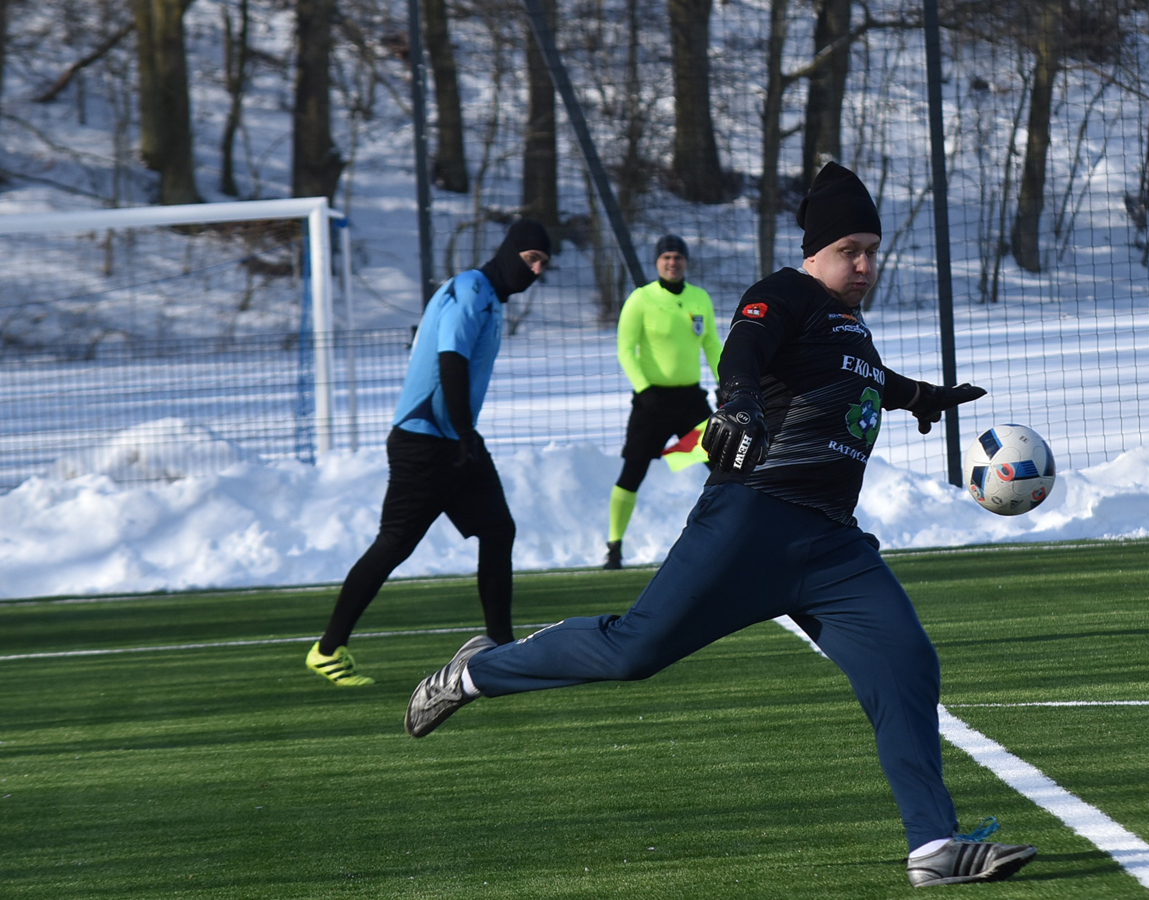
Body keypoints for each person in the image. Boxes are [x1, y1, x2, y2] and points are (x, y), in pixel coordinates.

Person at [404, 165, 1034, 887]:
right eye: (850, 250)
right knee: (633, 653)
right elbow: (745, 353)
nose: (865, 264)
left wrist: (924, 396)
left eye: (872, 249)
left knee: (907, 662)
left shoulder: (849, 326)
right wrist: (738, 406)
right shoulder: (784, 293)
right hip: (751, 519)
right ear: (817, 250)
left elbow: (868, 377)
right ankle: (475, 671)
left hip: (832, 544)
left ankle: (934, 848)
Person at [304, 220, 551, 687]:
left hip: (453, 440)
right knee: (395, 543)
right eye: (530, 259)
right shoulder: (469, 289)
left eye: (543, 264)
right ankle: (326, 649)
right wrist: (462, 432)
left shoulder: (493, 301)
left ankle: (501, 645)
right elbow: (450, 358)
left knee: (498, 529)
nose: (536, 270)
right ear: (508, 252)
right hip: (424, 442)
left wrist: (463, 436)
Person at [605, 234, 722, 570]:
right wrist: (644, 389)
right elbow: (625, 350)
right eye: (666, 257)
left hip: (691, 402)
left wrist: (728, 383)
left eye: (678, 257)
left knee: (723, 467)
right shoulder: (641, 299)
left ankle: (734, 536)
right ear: (657, 262)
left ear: (686, 262)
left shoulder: (699, 298)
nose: (673, 263)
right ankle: (614, 546)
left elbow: (712, 345)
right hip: (651, 403)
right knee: (633, 471)